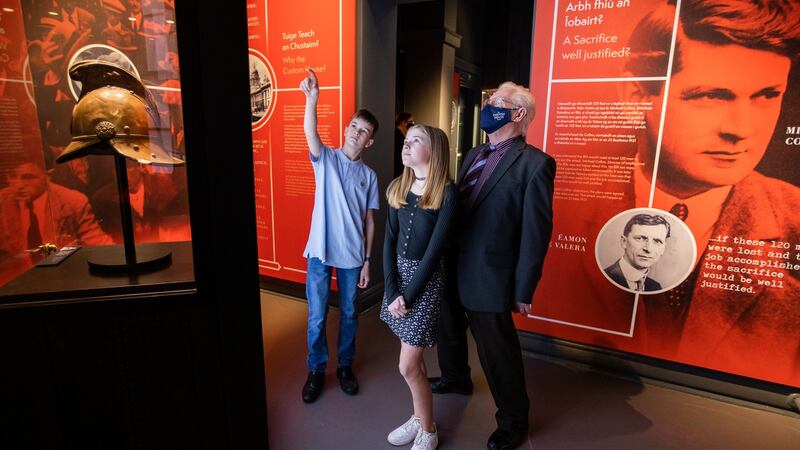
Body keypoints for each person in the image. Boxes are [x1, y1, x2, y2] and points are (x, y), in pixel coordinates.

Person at [618, 0, 800, 377]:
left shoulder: (794, 220)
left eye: (767, 95)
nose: (741, 129)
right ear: (637, 97)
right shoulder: (566, 204)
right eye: (710, 96)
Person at [430, 81, 555, 450]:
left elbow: (536, 232)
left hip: (489, 273)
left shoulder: (535, 164)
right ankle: (455, 377)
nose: (490, 105)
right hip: (451, 259)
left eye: (497, 102)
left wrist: (522, 288)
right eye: (490, 99)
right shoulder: (473, 154)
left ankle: (513, 419)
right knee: (448, 324)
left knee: (497, 350)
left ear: (517, 114)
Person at [299, 68, 380, 403]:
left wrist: (367, 262)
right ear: (346, 128)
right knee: (317, 318)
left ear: (369, 141)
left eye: (364, 133)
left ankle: (345, 366)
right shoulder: (326, 159)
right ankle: (317, 370)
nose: (356, 134)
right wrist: (312, 99)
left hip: (352, 256)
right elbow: (310, 133)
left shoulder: (370, 176)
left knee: (348, 314)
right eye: (354, 127)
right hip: (319, 252)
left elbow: (370, 223)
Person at [380, 124, 457, 450]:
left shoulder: (447, 192)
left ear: (434, 150)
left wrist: (407, 296)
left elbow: (434, 253)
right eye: (406, 140)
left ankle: (428, 430)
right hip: (397, 282)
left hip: (423, 285)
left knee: (407, 365)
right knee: (415, 363)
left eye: (416, 141)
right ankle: (418, 416)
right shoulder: (398, 186)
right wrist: (391, 290)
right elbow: (389, 242)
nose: (406, 144)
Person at [0, 160, 113, 283]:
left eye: (28, 177)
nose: (18, 184)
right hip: (15, 280)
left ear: (48, 175)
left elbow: (96, 240)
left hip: (63, 276)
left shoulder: (72, 201)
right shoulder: (3, 201)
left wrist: (117, 261)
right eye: (12, 176)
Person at [604, 214, 670, 292]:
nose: (648, 249)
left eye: (657, 241)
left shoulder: (655, 287)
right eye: (640, 238)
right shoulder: (604, 278)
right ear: (624, 242)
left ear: (663, 248)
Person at [394, 112, 414, 177]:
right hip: (397, 166)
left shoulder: (406, 133)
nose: (412, 124)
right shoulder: (396, 134)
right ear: (403, 122)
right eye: (411, 122)